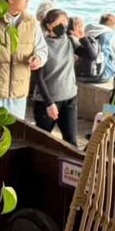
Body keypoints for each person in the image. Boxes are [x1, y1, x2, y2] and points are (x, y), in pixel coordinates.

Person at [32, 8, 79, 146]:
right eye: (59, 23)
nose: (63, 26)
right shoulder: (43, 45)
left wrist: (82, 37)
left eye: (65, 22)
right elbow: (38, 78)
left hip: (69, 98)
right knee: (42, 141)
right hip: (47, 101)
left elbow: (91, 55)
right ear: (49, 26)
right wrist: (49, 103)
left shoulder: (70, 41)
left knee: (71, 142)